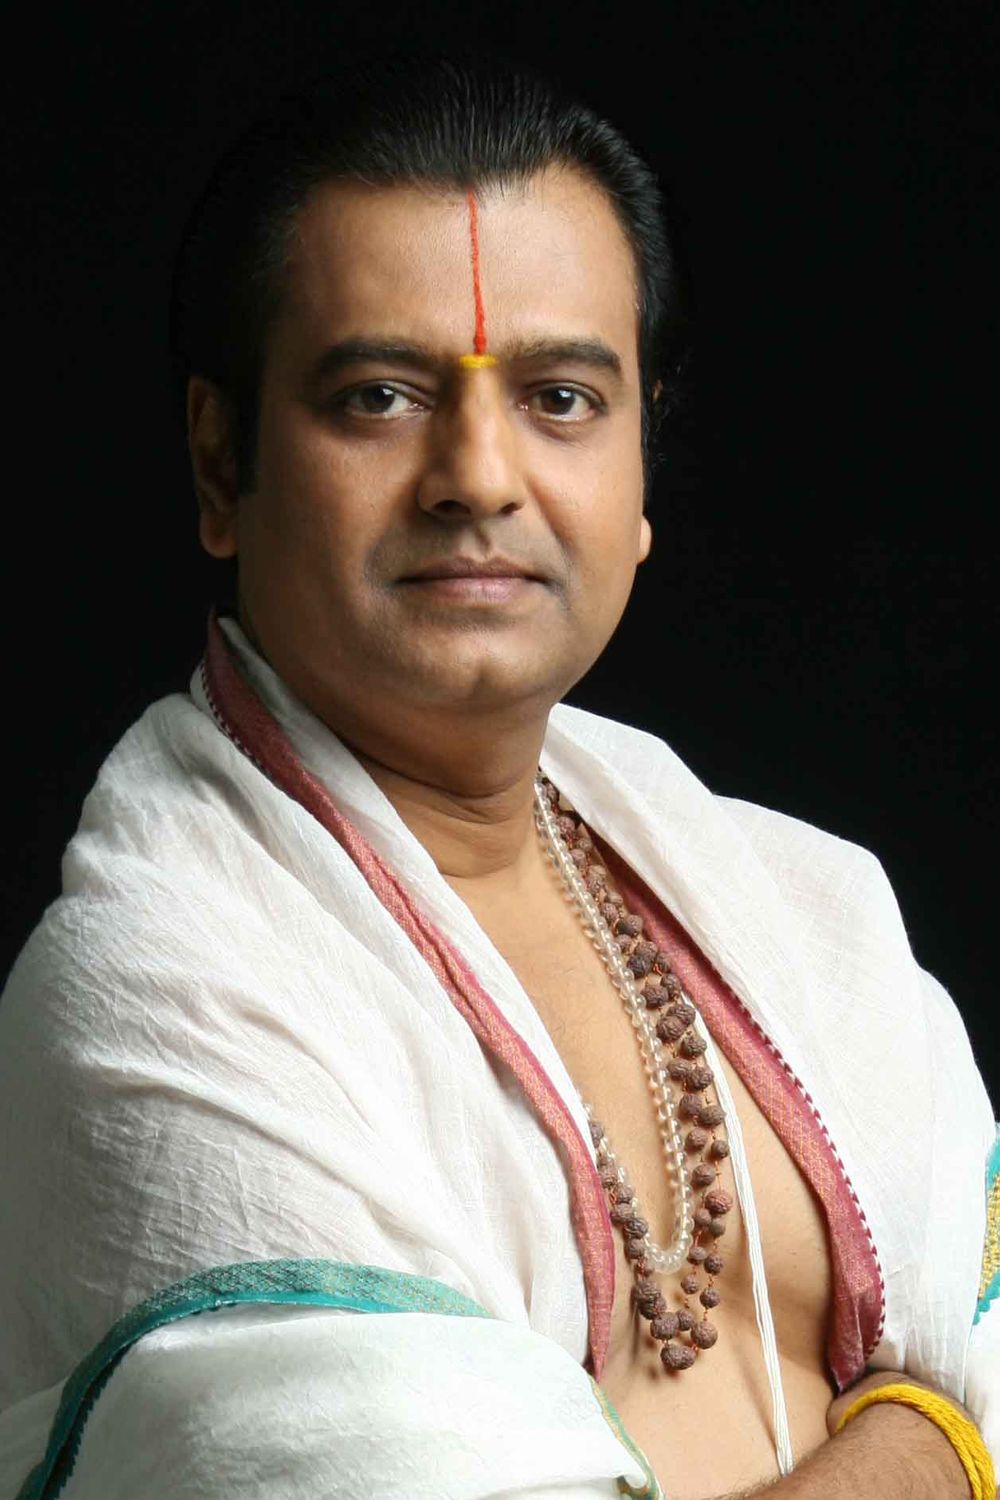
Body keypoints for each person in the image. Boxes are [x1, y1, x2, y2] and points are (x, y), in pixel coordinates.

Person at [0, 51, 996, 1500]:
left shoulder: (805, 904)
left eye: (562, 398)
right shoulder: (159, 992)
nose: (478, 474)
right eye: (380, 396)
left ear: (643, 476)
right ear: (221, 465)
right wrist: (939, 1439)